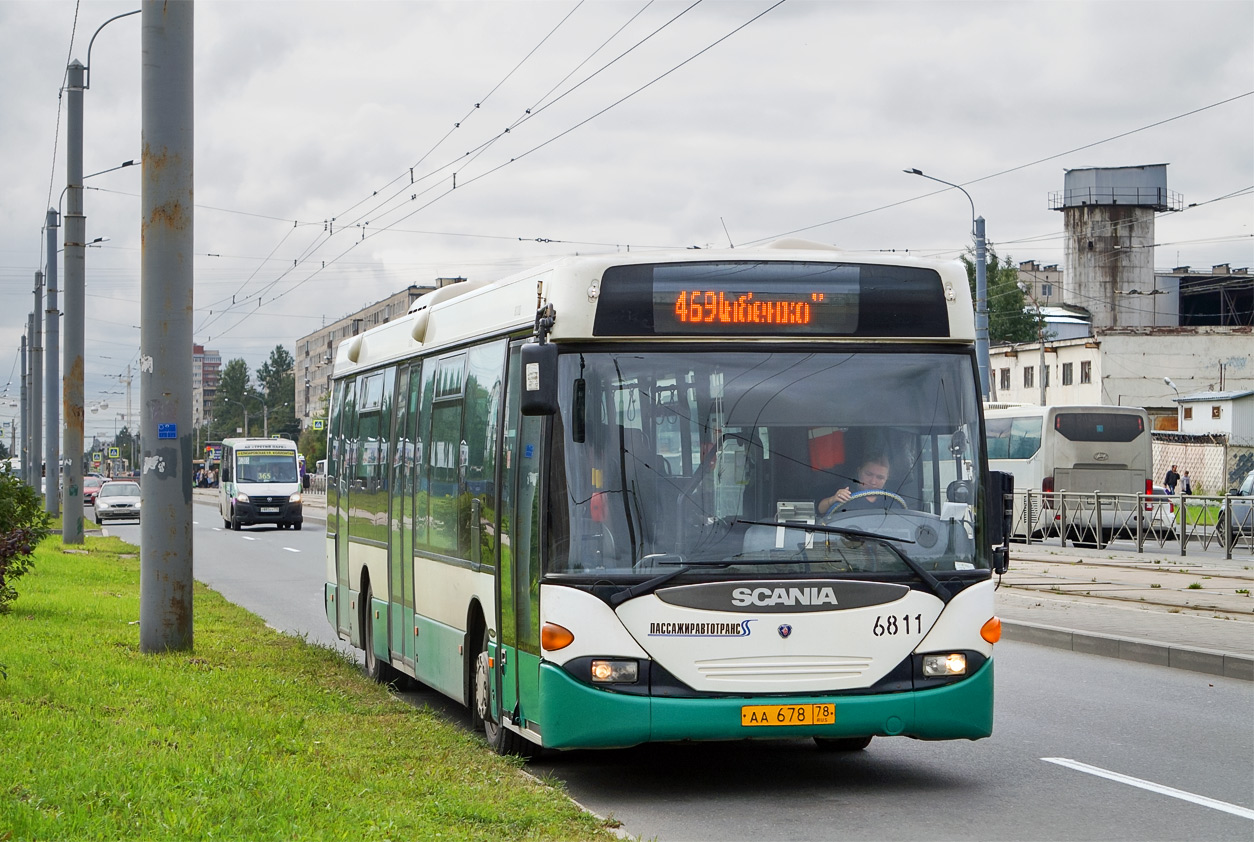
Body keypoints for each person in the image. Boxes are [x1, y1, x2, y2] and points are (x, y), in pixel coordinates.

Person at [819, 454, 893, 514]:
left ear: (887, 478)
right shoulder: (846, 491)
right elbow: (820, 510)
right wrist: (833, 499)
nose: (873, 482)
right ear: (859, 471)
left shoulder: (892, 500)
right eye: (868, 474)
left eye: (880, 478)